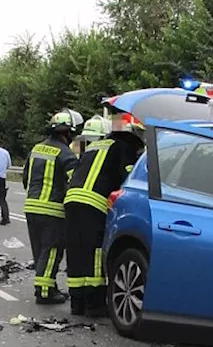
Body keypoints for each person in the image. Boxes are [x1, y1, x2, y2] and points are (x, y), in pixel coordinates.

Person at [63, 115, 143, 317]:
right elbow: (129, 177)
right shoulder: (122, 148)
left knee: (76, 251)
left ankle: (77, 303)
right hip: (93, 203)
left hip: (72, 200)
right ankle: (94, 304)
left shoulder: (94, 146)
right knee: (94, 253)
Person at [23, 109, 82, 304]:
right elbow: (72, 184)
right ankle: (45, 292)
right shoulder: (67, 155)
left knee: (40, 251)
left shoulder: (36, 149)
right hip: (52, 210)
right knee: (52, 251)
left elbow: (25, 178)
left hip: (31, 207)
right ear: (68, 133)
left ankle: (48, 286)